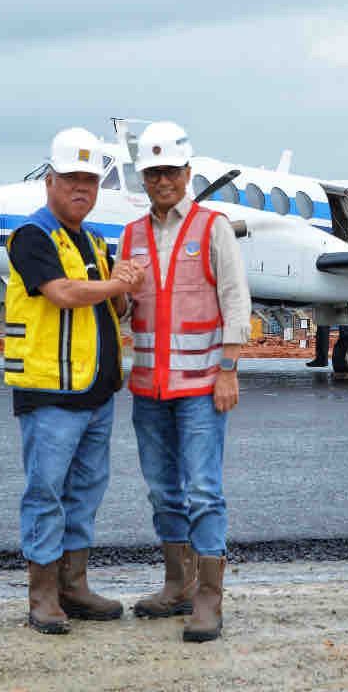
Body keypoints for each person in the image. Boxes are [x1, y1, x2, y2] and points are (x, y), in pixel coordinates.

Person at [4, 127, 144, 635]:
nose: (82, 189)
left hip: (96, 393)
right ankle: (42, 595)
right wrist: (115, 282)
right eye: (72, 180)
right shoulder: (32, 237)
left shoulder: (92, 240)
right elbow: (61, 292)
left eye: (90, 180)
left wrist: (125, 288)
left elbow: (116, 307)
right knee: (47, 491)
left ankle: (75, 586)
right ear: (50, 181)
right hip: (50, 394)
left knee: (85, 491)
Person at [120, 121, 252, 643]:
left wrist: (228, 370)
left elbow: (236, 300)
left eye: (170, 171)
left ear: (187, 173)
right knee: (161, 492)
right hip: (149, 387)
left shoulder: (211, 226)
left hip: (201, 385)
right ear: (143, 178)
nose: (161, 181)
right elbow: (125, 306)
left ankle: (208, 601)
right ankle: (177, 584)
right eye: (152, 173)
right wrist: (114, 292)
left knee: (203, 491)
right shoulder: (130, 236)